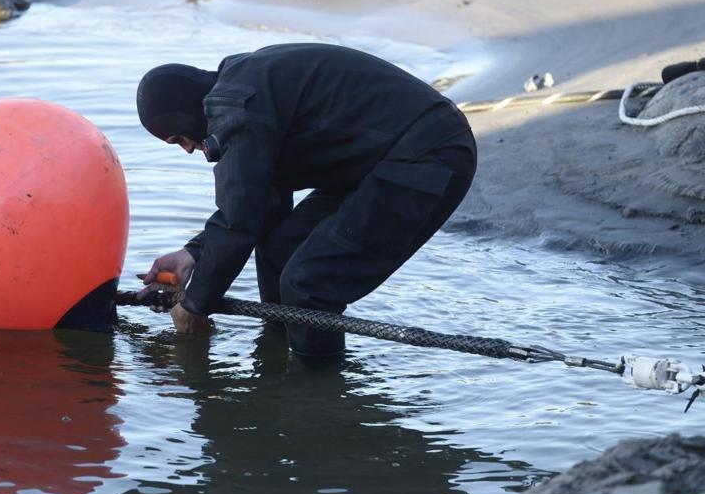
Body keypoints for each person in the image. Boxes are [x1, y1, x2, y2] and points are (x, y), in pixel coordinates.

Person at [134, 43, 477, 358]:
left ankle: (317, 397)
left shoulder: (235, 108)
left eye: (179, 137)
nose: (189, 148)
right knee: (280, 252)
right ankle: (278, 363)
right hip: (377, 161)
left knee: (309, 282)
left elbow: (238, 220)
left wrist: (194, 304)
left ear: (186, 110)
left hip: (430, 153)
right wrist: (194, 253)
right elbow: (255, 203)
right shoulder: (243, 91)